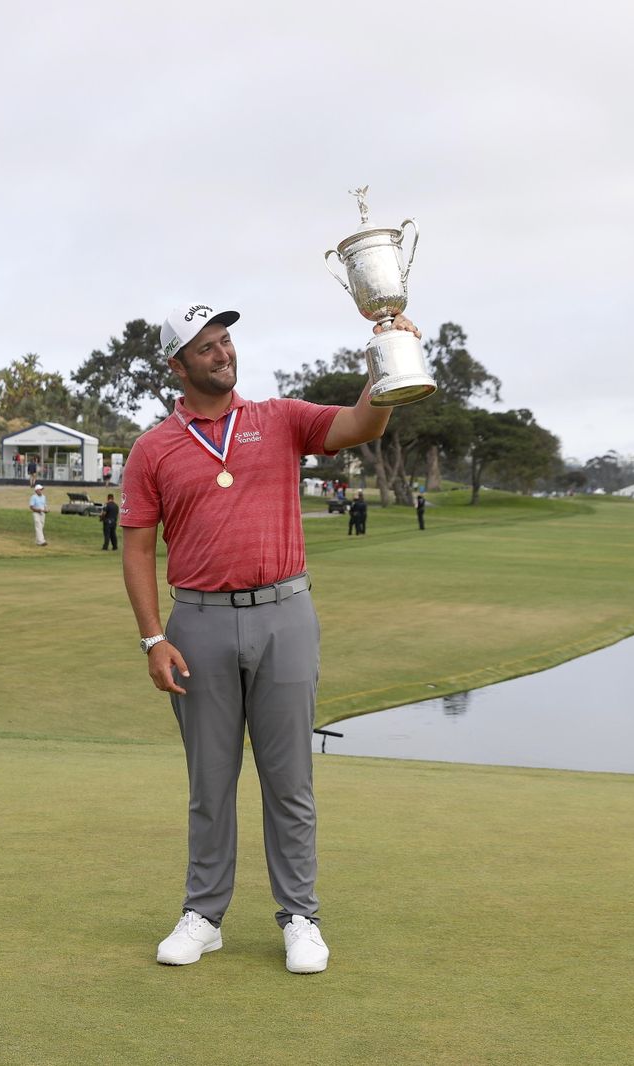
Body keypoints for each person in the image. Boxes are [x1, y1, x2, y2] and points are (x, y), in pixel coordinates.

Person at [121, 302, 414, 975]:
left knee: (290, 781)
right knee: (210, 782)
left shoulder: (279, 418)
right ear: (177, 365)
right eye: (206, 347)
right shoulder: (153, 448)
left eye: (226, 341)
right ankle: (204, 915)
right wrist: (152, 639)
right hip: (198, 621)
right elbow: (136, 550)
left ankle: (300, 917)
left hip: (286, 614)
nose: (223, 354)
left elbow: (362, 422)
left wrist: (387, 359)